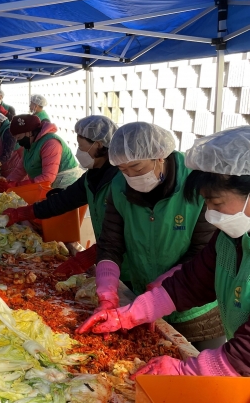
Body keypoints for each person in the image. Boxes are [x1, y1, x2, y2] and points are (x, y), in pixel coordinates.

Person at [78, 126, 250, 378]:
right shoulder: (229, 239)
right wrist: (131, 314)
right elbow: (191, 282)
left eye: (217, 203)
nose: (211, 215)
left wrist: (189, 370)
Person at [89, 121, 223, 350]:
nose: (131, 176)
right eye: (123, 169)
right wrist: (107, 290)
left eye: (138, 168)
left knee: (197, 368)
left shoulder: (196, 184)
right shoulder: (118, 187)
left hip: (196, 308)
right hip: (145, 303)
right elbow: (111, 243)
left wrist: (161, 289)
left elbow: (203, 252)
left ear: (160, 155)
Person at [6, 115, 119, 275]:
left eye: (81, 146)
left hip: (123, 257)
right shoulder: (91, 176)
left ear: (98, 145)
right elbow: (63, 200)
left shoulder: (118, 180)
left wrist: (89, 256)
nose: (78, 151)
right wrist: (25, 212)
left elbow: (123, 231)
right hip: (110, 254)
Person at [6, 114, 81, 189]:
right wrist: (7, 182)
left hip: (65, 185)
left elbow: (48, 177)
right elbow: (20, 170)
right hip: (45, 185)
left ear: (29, 132)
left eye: (19, 137)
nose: (18, 141)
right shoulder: (30, 144)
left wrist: (20, 185)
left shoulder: (50, 143)